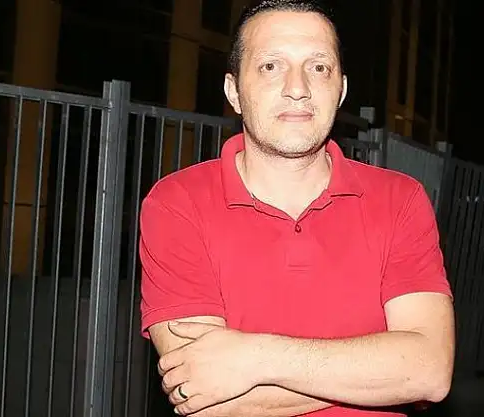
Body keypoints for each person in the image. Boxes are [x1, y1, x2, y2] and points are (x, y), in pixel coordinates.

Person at [138, 0, 455, 416]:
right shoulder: (177, 203)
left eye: (319, 67)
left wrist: (255, 356)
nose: (298, 87)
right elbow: (201, 398)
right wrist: (384, 376)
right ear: (234, 92)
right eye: (270, 66)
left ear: (341, 90)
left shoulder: (400, 199)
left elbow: (429, 372)